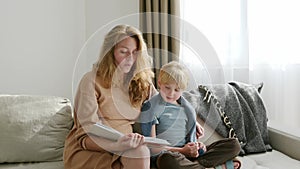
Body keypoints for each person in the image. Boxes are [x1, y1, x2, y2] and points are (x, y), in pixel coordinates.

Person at [63, 24, 157, 169]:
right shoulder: (91, 80)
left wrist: (192, 123)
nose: (130, 58)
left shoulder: (141, 82)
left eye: (134, 52)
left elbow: (165, 103)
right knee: (139, 152)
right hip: (92, 147)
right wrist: (116, 145)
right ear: (110, 52)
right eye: (124, 52)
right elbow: (85, 135)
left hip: (126, 145)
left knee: (141, 151)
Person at [138, 61, 241, 169]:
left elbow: (190, 138)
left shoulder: (186, 108)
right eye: (167, 87)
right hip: (170, 154)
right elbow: (153, 147)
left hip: (190, 155)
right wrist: (183, 151)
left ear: (183, 89)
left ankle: (196, 166)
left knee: (234, 145)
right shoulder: (150, 108)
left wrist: (197, 146)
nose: (171, 93)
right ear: (159, 83)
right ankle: (212, 166)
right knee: (167, 160)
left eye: (177, 90)